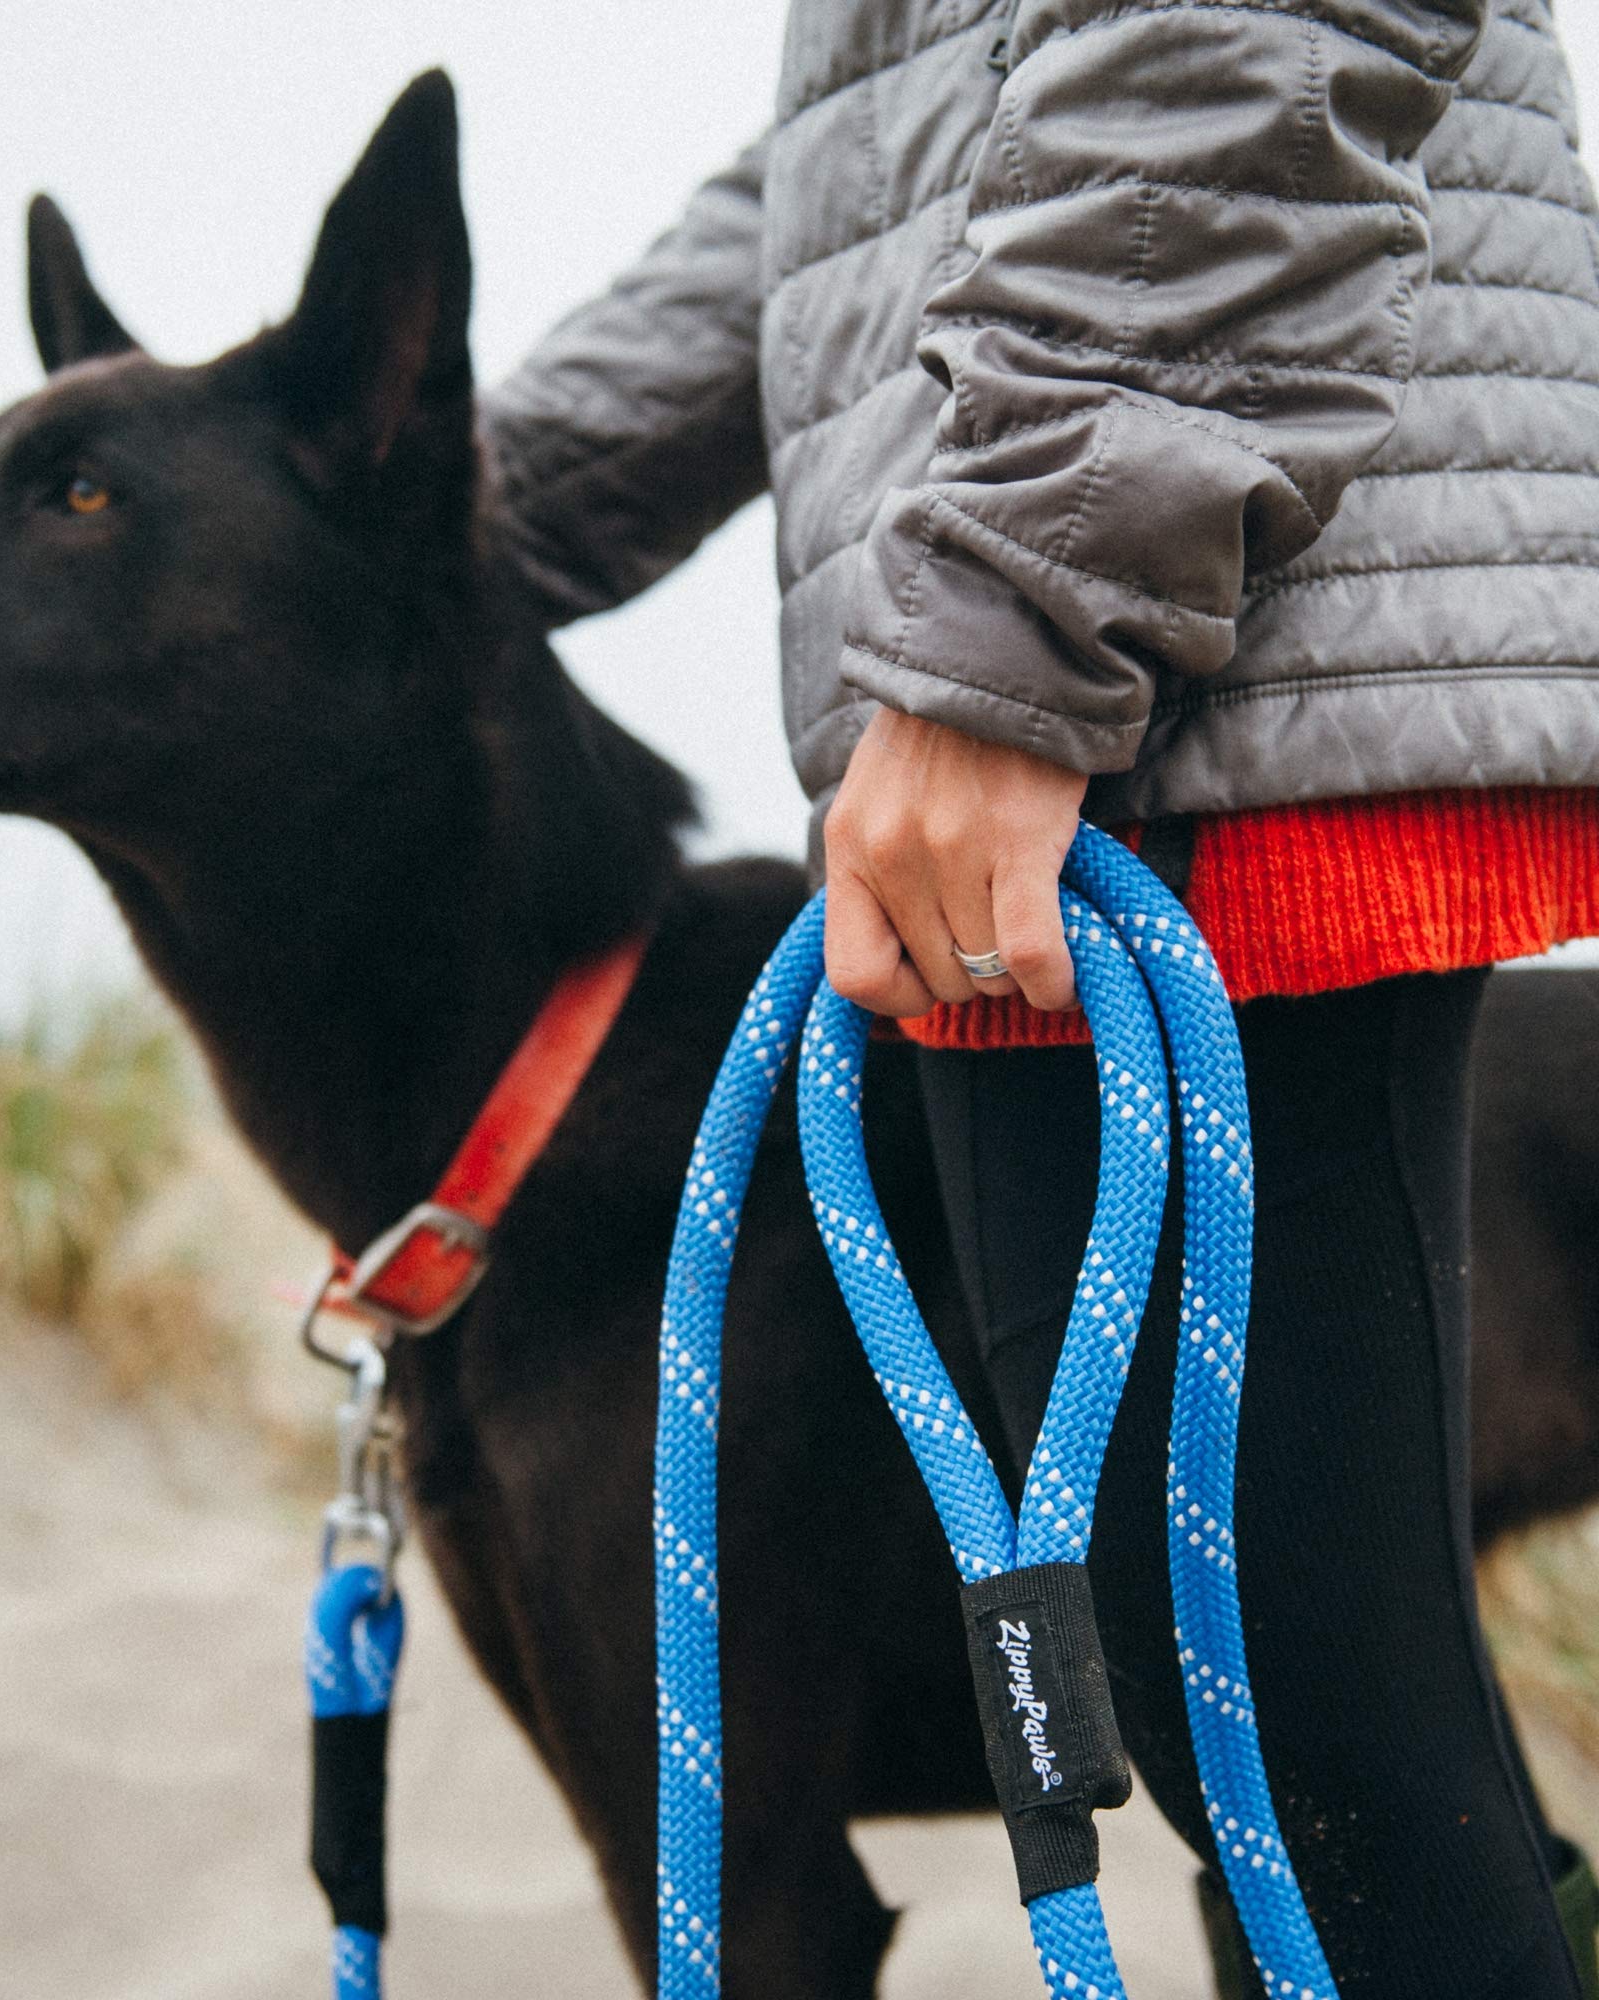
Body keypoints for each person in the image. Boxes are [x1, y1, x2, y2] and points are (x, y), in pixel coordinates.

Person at [478, 1, 1599, 1994]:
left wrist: (1016, 603)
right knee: (1254, 1716)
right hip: (1115, 700)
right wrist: (376, 516)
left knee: (1289, 1724)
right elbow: (864, 165)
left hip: (1194, 681)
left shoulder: (1052, 637)